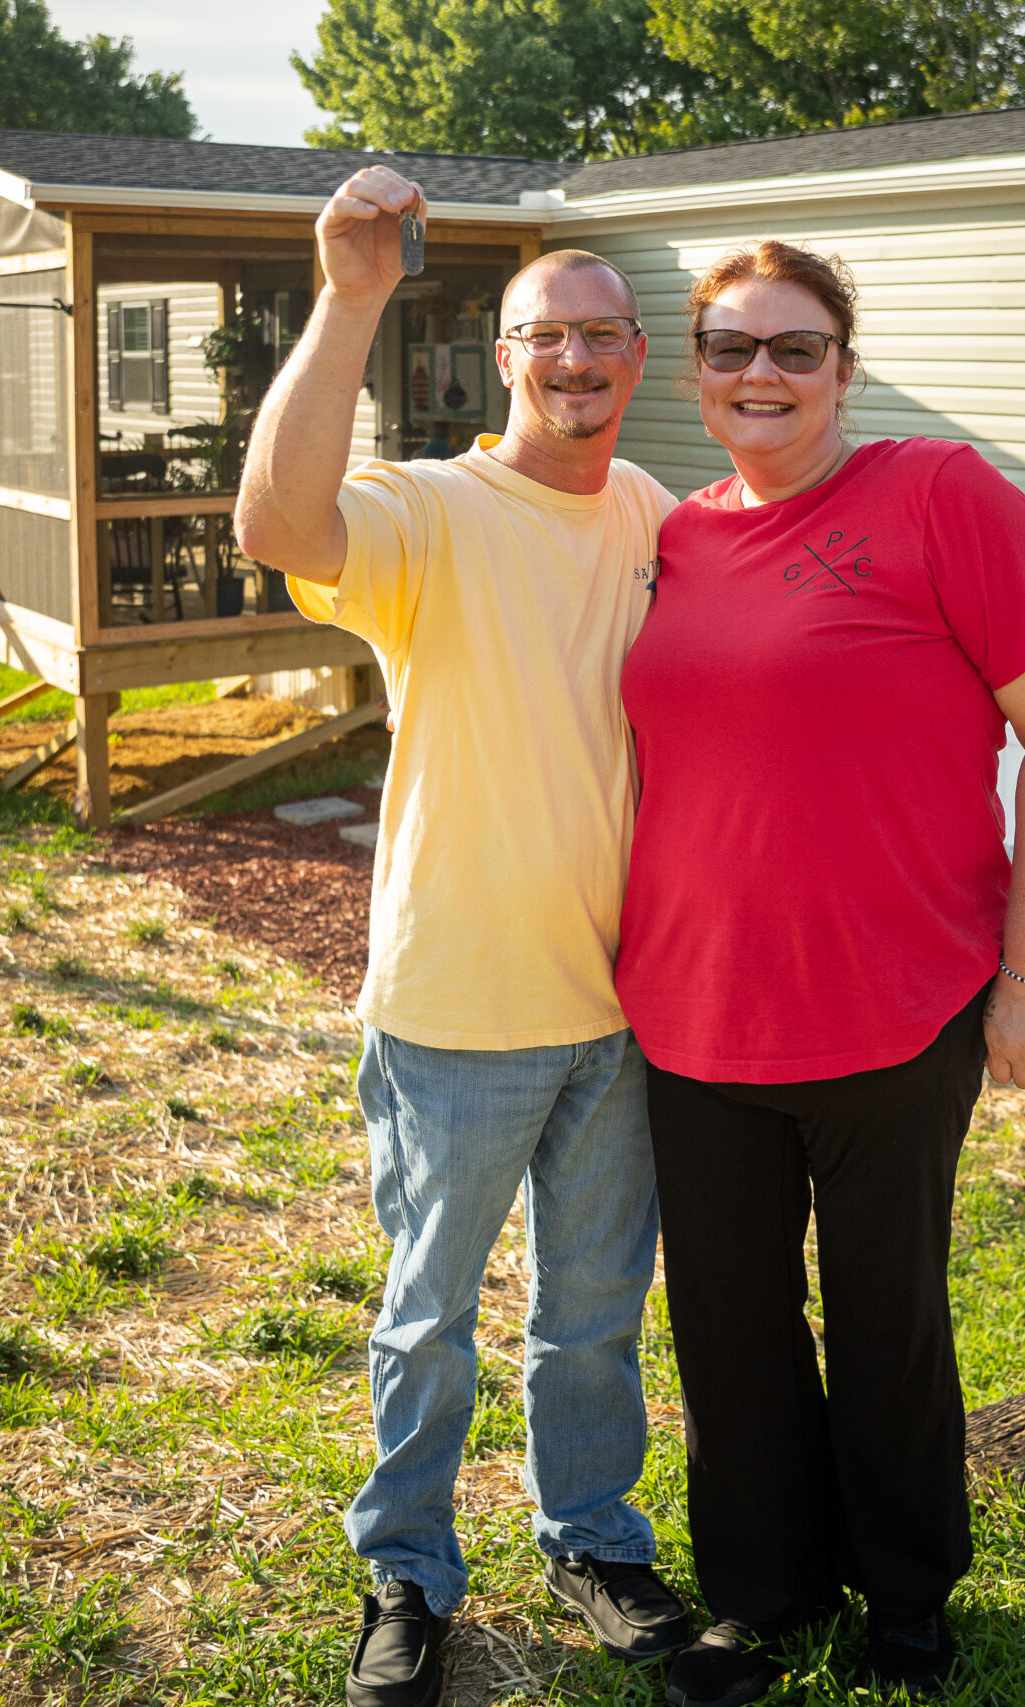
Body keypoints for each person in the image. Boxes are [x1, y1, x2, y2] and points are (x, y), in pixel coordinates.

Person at [615, 240, 1025, 1707]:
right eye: (727, 346)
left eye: (795, 348)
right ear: (694, 370)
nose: (759, 374)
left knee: (887, 1322)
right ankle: (761, 1594)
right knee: (727, 1328)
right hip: (694, 1013)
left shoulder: (942, 496)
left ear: (847, 365)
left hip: (899, 1007)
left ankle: (906, 1594)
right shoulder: (675, 536)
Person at [232, 166, 692, 1707]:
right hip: (451, 1007)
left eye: (603, 336)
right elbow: (274, 519)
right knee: (426, 1322)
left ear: (638, 361)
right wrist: (351, 293)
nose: (575, 359)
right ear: (505, 357)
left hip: (624, 1011)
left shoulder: (659, 523)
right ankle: (409, 1577)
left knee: (592, 1322)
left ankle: (594, 1541)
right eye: (544, 334)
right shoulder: (429, 514)